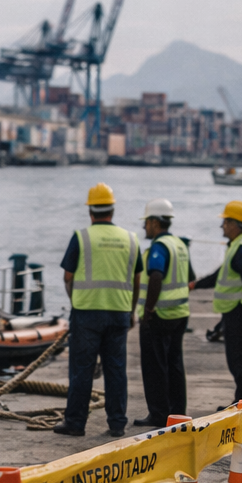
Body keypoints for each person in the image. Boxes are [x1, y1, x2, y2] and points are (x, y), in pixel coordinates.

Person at [56, 182, 142, 438]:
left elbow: (67, 276)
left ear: (90, 211)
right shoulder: (131, 238)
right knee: (116, 369)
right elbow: (137, 280)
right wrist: (131, 310)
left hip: (86, 313)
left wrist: (76, 301)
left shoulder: (81, 237)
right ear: (112, 211)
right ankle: (117, 424)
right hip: (119, 312)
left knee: (82, 370)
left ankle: (75, 423)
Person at [192, 200, 242, 402]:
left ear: (234, 224)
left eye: (225, 222)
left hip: (241, 311)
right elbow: (220, 275)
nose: (222, 226)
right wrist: (196, 284)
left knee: (239, 360)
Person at [134, 198, 194, 428]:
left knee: (155, 366)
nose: (144, 227)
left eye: (146, 222)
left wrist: (148, 310)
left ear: (154, 222)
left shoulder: (159, 247)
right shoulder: (179, 245)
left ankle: (158, 413)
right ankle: (177, 411)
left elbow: (156, 276)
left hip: (160, 316)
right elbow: (189, 276)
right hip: (180, 313)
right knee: (175, 364)